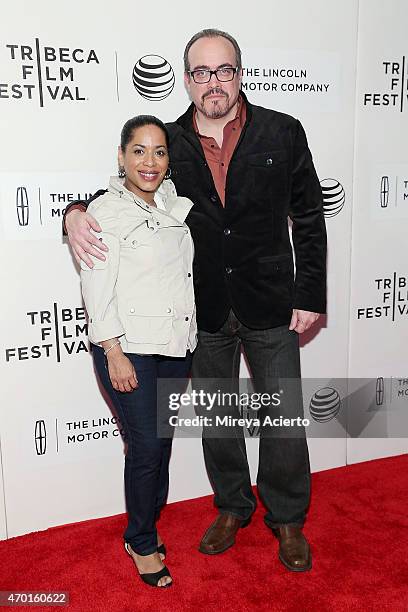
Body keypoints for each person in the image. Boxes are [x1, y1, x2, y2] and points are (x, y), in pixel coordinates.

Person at [64, 29, 327, 573]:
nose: (214, 82)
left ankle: (287, 518)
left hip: (271, 300)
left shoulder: (283, 131)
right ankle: (233, 506)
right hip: (199, 305)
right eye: (202, 72)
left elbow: (309, 214)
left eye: (224, 70)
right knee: (219, 417)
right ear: (187, 79)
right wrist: (70, 212)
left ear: (240, 74)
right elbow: (121, 190)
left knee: (282, 416)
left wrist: (310, 291)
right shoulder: (172, 141)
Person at [79, 114, 196, 588]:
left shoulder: (174, 201)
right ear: (122, 157)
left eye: (160, 151)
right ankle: (142, 541)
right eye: (140, 151)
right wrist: (112, 350)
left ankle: (146, 523)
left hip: (175, 346)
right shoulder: (104, 212)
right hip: (128, 349)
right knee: (146, 447)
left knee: (160, 446)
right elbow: (95, 286)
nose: (150, 161)